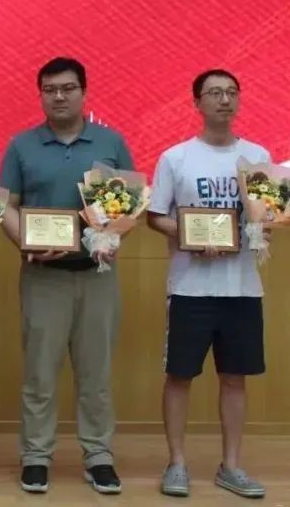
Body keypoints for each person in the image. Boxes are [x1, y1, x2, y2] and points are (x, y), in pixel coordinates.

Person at [0, 57, 134, 495]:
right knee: (40, 373)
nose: (59, 96)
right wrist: (26, 242)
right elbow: (6, 206)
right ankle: (36, 456)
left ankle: (99, 456)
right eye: (50, 89)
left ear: (84, 92)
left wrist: (111, 237)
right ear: (40, 94)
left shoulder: (111, 142)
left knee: (96, 374)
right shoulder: (22, 146)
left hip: (97, 275)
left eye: (68, 88)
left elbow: (128, 206)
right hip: (44, 276)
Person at [146, 69, 266, 499]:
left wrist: (264, 226)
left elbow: (268, 212)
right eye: (214, 93)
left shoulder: (257, 157)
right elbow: (155, 215)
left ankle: (231, 466)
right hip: (189, 289)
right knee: (179, 376)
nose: (224, 100)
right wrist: (189, 235)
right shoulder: (176, 158)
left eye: (231, 92)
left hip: (242, 288)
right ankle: (176, 463)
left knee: (235, 379)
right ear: (196, 102)